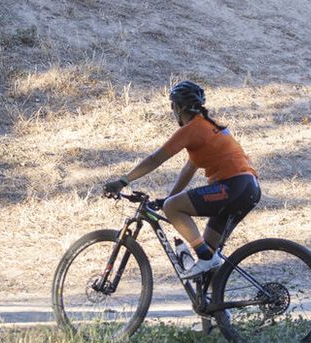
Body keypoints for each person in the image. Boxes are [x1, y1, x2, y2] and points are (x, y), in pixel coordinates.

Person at [103, 80, 261, 278]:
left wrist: (123, 181)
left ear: (177, 107)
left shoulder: (192, 129)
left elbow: (155, 159)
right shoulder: (208, 126)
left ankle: (206, 258)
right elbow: (189, 169)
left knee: (183, 223)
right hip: (247, 188)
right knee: (208, 259)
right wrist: (168, 198)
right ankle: (216, 306)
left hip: (233, 186)